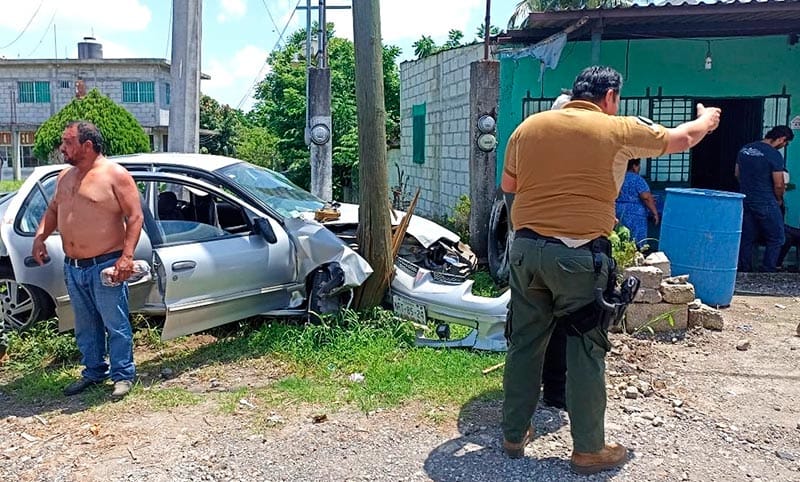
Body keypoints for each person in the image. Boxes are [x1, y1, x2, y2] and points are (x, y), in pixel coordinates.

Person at [500, 65, 720, 474]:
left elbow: (509, 188)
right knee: (585, 347)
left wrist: (526, 233)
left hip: (526, 251)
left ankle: (514, 435)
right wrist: (707, 118)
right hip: (579, 255)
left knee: (525, 342)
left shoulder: (527, 128)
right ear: (611, 97)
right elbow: (684, 138)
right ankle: (588, 450)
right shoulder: (617, 129)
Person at [32, 121, 143, 399]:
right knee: (85, 325)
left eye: (68, 142)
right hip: (74, 266)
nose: (62, 148)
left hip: (105, 265)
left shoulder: (114, 175)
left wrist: (126, 257)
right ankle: (93, 372)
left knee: (114, 324)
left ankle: (123, 375)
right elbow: (54, 209)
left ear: (87, 145)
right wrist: (40, 237)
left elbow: (135, 217)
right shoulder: (65, 176)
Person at [736, 125, 794, 272]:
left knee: (747, 237)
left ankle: (744, 269)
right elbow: (779, 184)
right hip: (766, 201)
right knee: (777, 238)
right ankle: (768, 270)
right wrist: (779, 199)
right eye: (785, 143)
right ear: (781, 139)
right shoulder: (774, 155)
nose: (784, 146)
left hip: (746, 200)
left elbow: (737, 173)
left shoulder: (745, 149)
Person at [615, 158, 660, 245]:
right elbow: (646, 197)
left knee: (621, 235)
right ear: (634, 166)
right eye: (638, 165)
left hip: (618, 210)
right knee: (636, 239)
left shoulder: (618, 178)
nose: (639, 168)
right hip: (635, 213)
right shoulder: (638, 179)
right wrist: (655, 213)